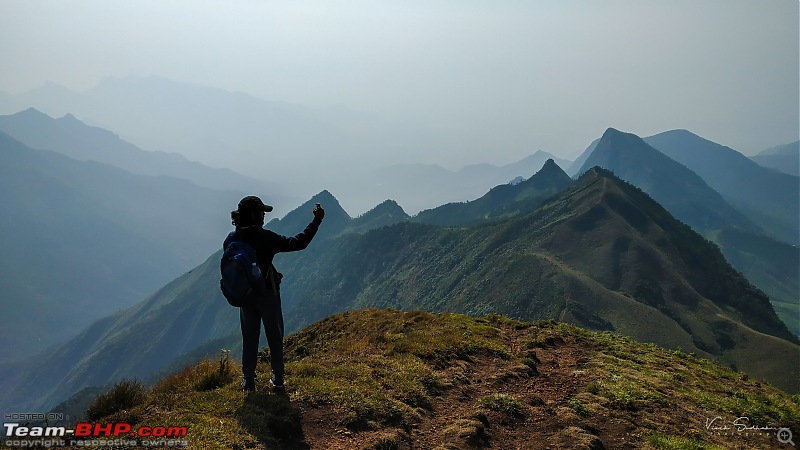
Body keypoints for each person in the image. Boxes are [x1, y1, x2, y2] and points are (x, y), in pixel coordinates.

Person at [224, 195, 324, 391]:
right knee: (274, 335)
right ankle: (278, 379)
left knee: (249, 337)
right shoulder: (264, 238)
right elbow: (298, 242)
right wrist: (317, 220)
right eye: (261, 212)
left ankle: (248, 380)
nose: (264, 215)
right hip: (267, 294)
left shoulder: (231, 239)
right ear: (254, 215)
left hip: (245, 296)